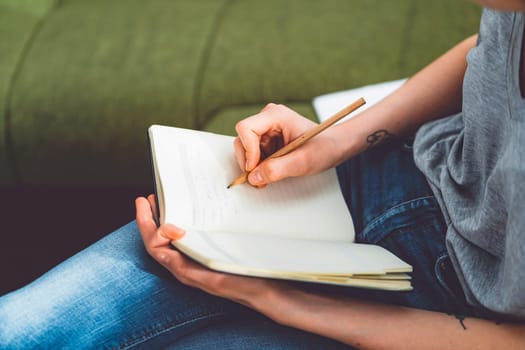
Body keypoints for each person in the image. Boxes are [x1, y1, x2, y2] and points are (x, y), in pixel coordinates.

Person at [1, 0, 525, 348]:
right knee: (25, 325)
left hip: (445, 312)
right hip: (389, 175)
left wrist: (279, 300)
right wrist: (337, 140)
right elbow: (482, 46)